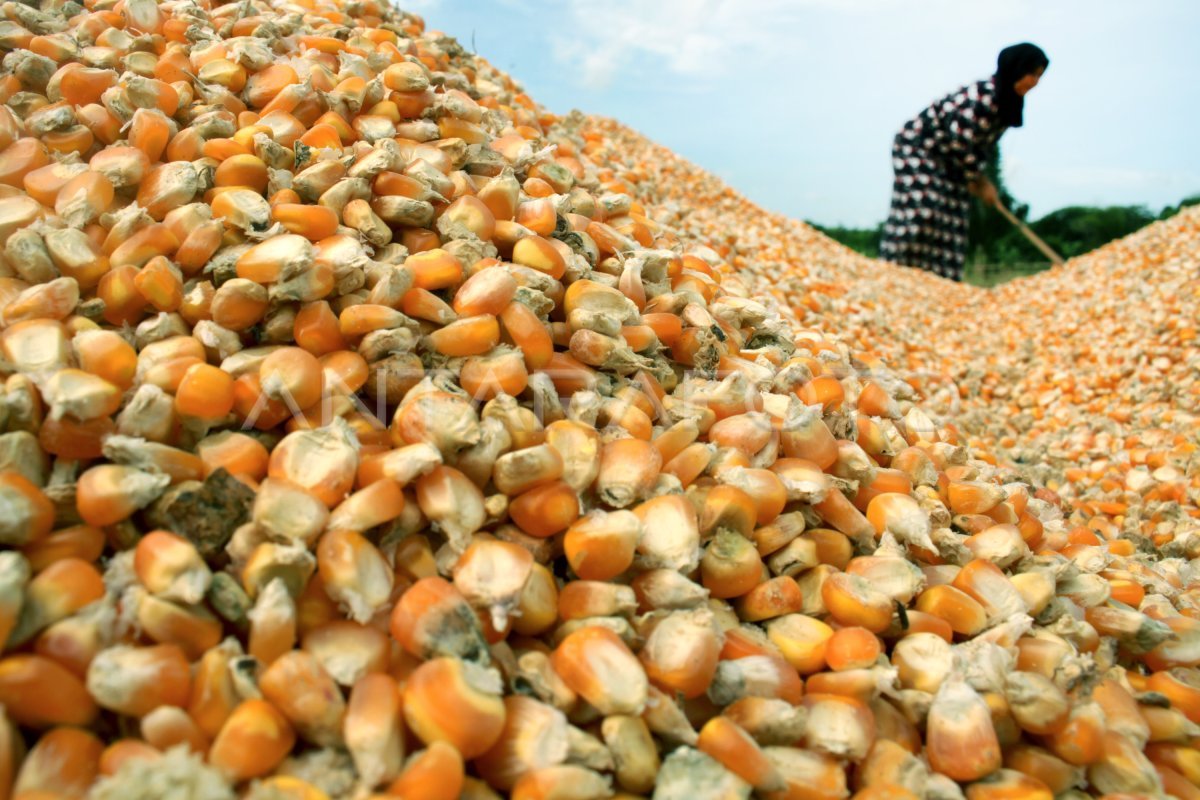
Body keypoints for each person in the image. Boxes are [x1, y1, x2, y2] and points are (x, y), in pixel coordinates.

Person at [879, 43, 1049, 281]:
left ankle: (942, 284)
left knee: (953, 221)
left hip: (954, 163)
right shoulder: (984, 96)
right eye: (1032, 73)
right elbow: (961, 140)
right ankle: (892, 273)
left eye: (1040, 76)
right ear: (1017, 69)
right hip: (921, 148)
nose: (1035, 82)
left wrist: (975, 180)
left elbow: (981, 148)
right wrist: (979, 180)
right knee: (924, 209)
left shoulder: (1008, 104)